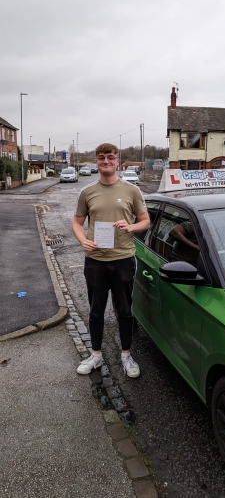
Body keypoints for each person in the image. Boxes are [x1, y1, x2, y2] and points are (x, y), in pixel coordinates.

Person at [72, 143, 150, 378]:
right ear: (96, 161)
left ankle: (126, 355)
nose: (106, 161)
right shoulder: (87, 192)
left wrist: (131, 226)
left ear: (118, 161)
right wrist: (82, 240)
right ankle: (96, 355)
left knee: (125, 311)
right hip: (95, 260)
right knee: (96, 311)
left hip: (123, 259)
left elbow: (145, 221)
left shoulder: (131, 190)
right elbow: (77, 223)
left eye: (111, 157)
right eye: (101, 158)